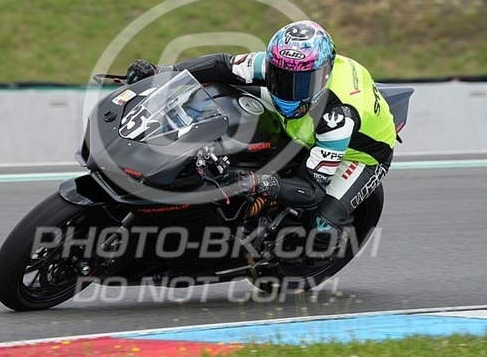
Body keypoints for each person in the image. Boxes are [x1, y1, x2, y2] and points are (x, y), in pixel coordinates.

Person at [125, 20, 397, 261]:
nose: (288, 89)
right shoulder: (274, 63)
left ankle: (307, 255)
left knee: (322, 226)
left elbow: (312, 187)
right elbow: (223, 66)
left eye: (301, 83)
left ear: (324, 75)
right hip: (303, 123)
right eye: (281, 77)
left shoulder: (338, 118)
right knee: (223, 88)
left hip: (358, 156)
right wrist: (163, 72)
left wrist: (260, 182)